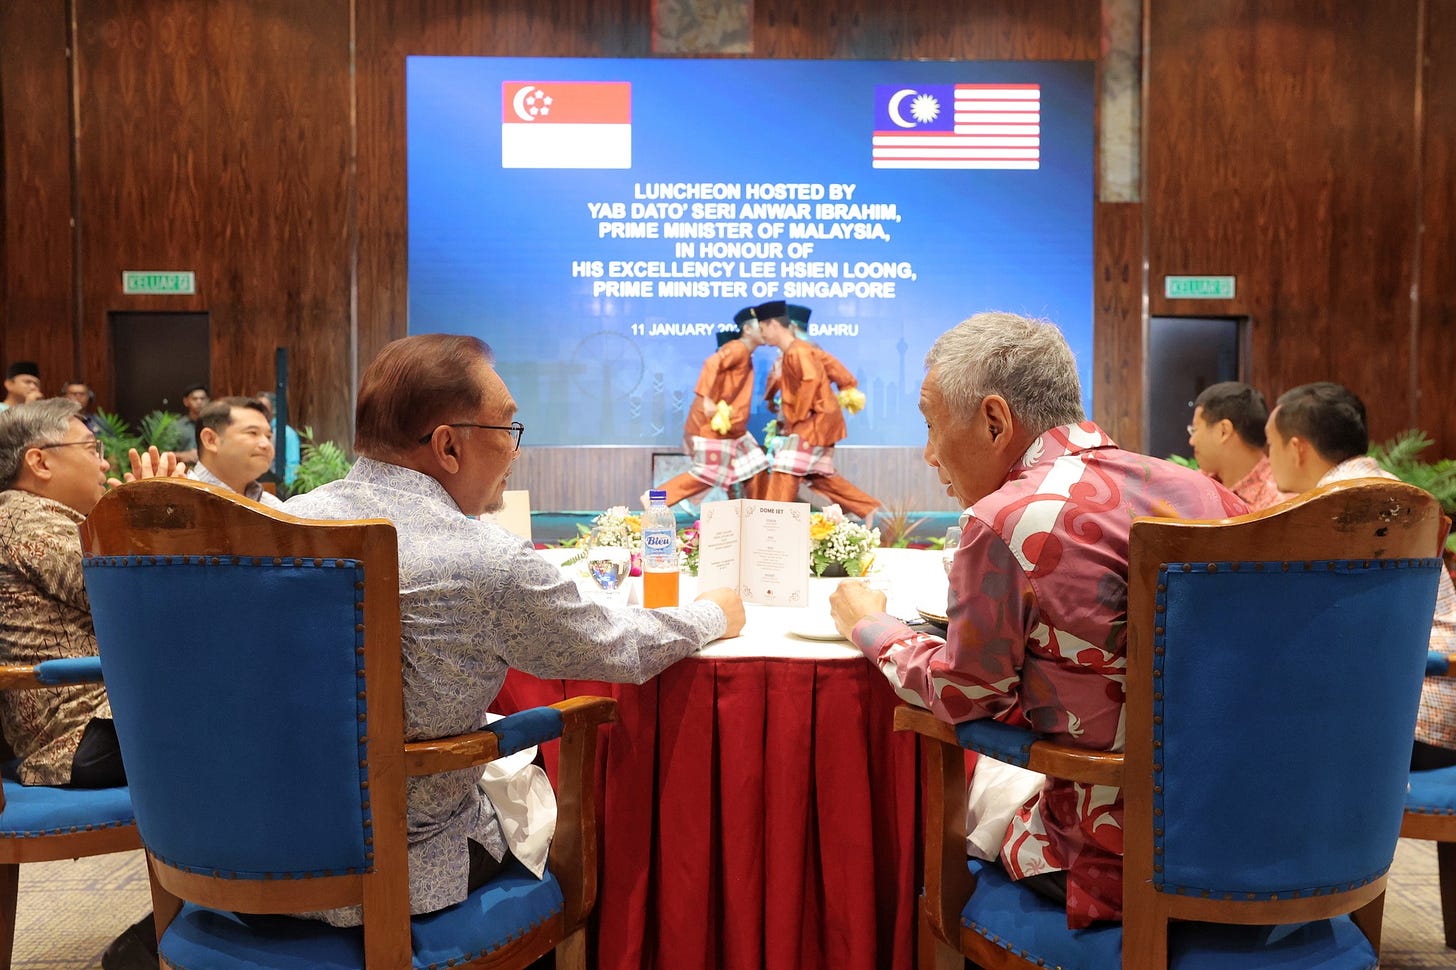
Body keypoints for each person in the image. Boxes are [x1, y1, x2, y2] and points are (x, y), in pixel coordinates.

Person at [283, 333, 746, 925]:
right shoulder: (486, 562)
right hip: (398, 871)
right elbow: (621, 646)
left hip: (248, 848)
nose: (515, 451)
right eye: (508, 429)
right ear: (448, 447)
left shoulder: (279, 526)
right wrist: (714, 613)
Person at [829, 312, 1245, 928]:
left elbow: (966, 695)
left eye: (931, 424)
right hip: (1248, 832)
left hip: (1115, 860)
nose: (927, 453)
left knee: (956, 810)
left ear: (995, 421)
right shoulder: (1197, 491)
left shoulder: (1006, 519)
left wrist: (873, 627)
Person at [0, 398, 184, 969]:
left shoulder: (54, 519)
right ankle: (176, 933)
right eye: (91, 449)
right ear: (40, 461)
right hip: (79, 733)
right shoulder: (23, 520)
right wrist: (154, 511)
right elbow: (136, 598)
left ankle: (202, 923)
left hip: (110, 714)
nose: (104, 463)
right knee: (271, 743)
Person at [1265, 380, 1456, 770]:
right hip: (1439, 695)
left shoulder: (1334, 507)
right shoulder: (1395, 491)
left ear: (1298, 448)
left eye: (1271, 446)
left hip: (1400, 713)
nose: (1269, 460)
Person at [756, 301, 881, 522]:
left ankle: (773, 525)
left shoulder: (798, 351)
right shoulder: (794, 352)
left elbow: (811, 380)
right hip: (816, 423)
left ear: (774, 324)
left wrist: (795, 417)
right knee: (817, 474)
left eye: (763, 327)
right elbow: (840, 373)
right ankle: (866, 507)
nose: (761, 334)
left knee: (784, 470)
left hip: (813, 423)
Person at [649, 306, 770, 507]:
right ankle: (655, 500)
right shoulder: (738, 348)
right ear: (748, 329)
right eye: (761, 325)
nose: (766, 329)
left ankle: (757, 513)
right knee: (707, 474)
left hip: (735, 430)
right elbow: (712, 363)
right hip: (718, 429)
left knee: (755, 468)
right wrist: (705, 398)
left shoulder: (745, 353)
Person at [1186, 381, 1292, 510]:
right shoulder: (1200, 482)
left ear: (1223, 431)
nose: (1191, 441)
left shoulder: (1279, 502)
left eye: (1195, 430)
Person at [185, 397, 284, 509]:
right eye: (253, 433)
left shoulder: (274, 508)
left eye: (268, 436)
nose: (266, 444)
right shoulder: (178, 498)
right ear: (210, 440)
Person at [254, 390, 302, 488]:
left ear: (273, 410)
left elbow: (292, 464)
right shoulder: (253, 431)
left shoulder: (286, 433)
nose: (260, 412)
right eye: (257, 408)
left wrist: (287, 488)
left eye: (264, 409)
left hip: (278, 486)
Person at [172, 382, 209, 465]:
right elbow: (162, 453)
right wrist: (182, 455)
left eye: (202, 398)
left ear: (208, 400)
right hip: (182, 471)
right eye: (195, 399)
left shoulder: (213, 425)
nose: (199, 402)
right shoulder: (176, 426)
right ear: (186, 401)